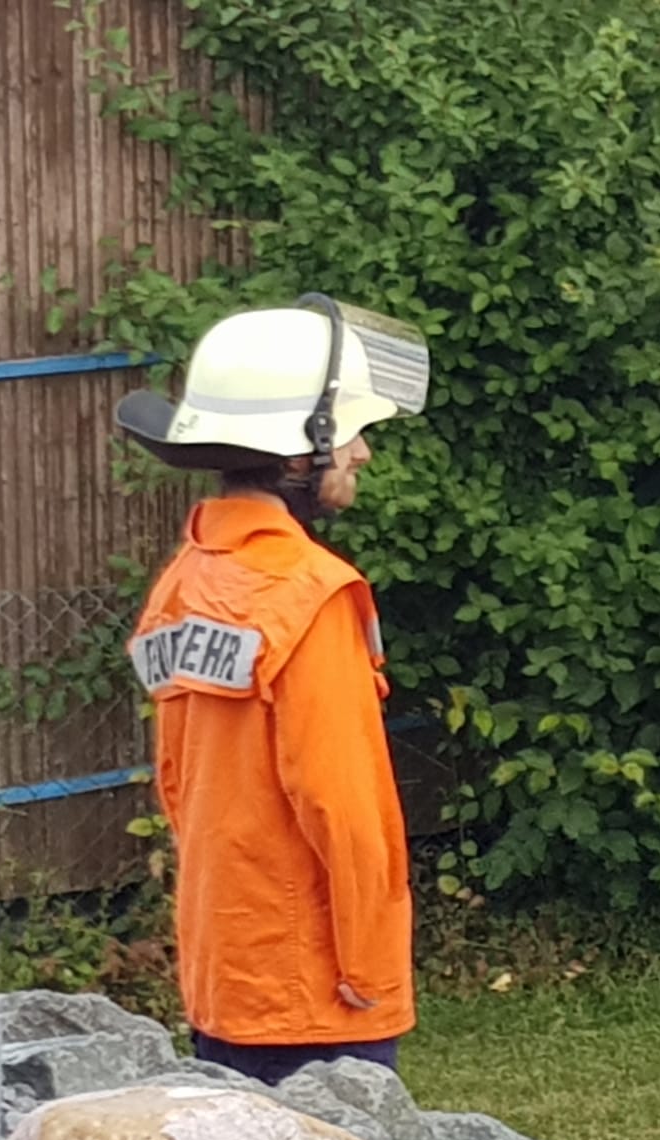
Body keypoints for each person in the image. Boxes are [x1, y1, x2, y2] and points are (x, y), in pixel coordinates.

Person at [116, 296, 427, 1085]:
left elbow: (178, 784)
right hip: (318, 988)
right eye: (351, 433)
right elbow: (341, 803)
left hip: (224, 970)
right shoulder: (311, 595)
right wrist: (372, 970)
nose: (363, 453)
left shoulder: (183, 583)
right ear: (298, 456)